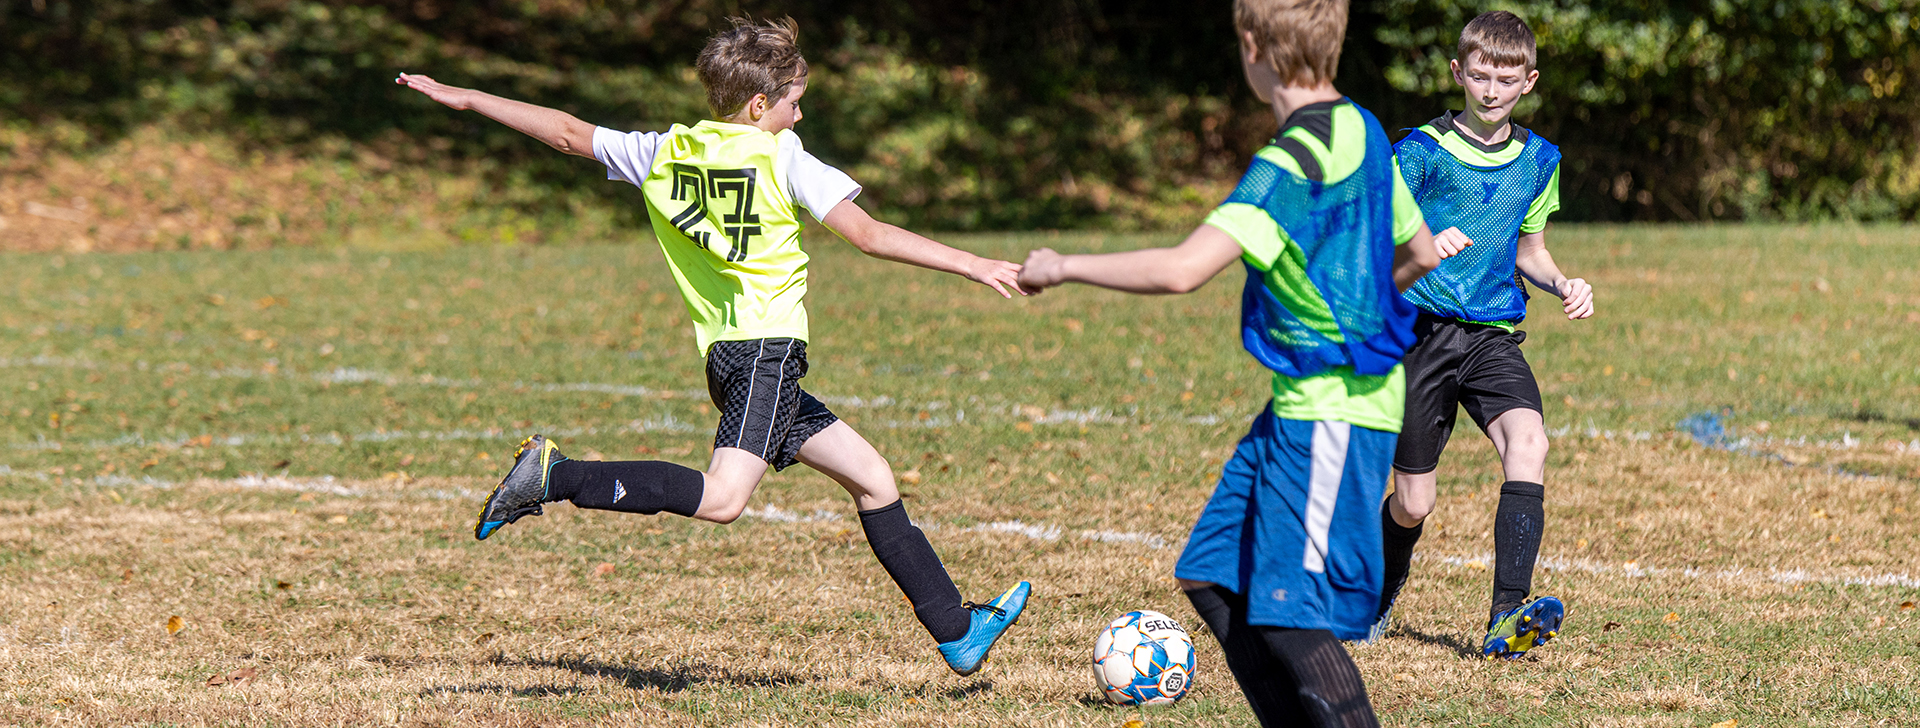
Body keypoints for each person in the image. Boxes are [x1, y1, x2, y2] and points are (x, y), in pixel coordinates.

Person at [394, 16, 1029, 677]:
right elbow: (868, 235)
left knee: (872, 479)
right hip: (766, 357)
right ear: (760, 105)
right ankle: (556, 476)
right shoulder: (783, 158)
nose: (800, 111)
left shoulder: (665, 150)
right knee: (725, 500)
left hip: (729, 363)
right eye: (793, 100)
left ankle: (956, 629)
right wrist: (972, 263)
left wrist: (467, 97)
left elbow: (564, 132)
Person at [1017, 0, 1437, 722]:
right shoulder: (1364, 128)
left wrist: (1064, 265)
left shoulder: (1287, 164)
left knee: (1290, 615)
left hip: (1334, 408)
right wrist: (1355, 305)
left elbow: (1184, 269)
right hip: (1299, 405)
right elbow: (1420, 251)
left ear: (1253, 46)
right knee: (1213, 574)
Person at [1368, 10, 1593, 660]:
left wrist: (1562, 284)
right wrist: (1422, 245)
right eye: (1481, 76)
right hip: (1422, 333)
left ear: (1529, 81)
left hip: (1493, 334)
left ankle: (1505, 619)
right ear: (1458, 73)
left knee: (1530, 443)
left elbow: (1531, 253)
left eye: (1507, 78)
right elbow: (1371, 241)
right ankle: (1380, 591)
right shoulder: (1419, 152)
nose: (1492, 90)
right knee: (1413, 504)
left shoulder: (1538, 160)